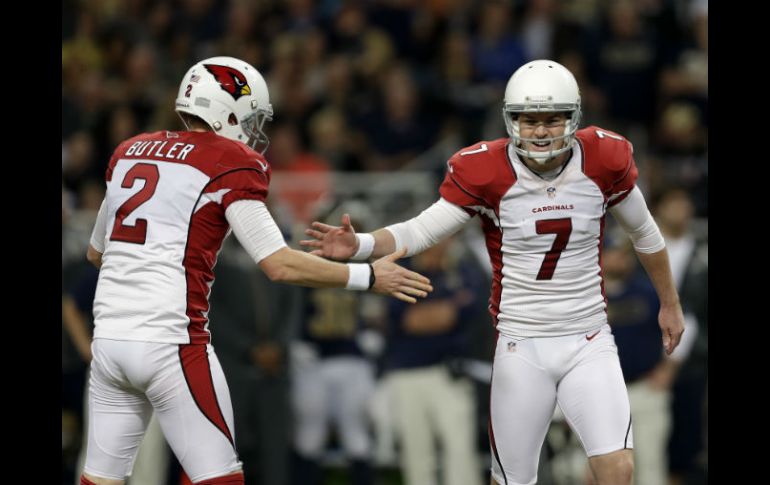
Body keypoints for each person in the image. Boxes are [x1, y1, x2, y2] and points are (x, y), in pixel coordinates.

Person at [301, 59, 685, 485]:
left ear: (573, 119)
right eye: (528, 119)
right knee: (513, 480)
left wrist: (670, 303)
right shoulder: (486, 171)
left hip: (588, 338)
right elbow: (422, 228)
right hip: (522, 346)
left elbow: (646, 235)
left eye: (552, 119)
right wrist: (363, 244)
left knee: (618, 469)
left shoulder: (604, 159)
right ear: (510, 119)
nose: (540, 131)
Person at [80, 56, 433, 485]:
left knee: (101, 478)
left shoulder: (130, 150)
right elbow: (279, 264)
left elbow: (97, 253)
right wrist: (368, 276)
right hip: (169, 341)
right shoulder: (228, 160)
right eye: (249, 119)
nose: (252, 131)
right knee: (220, 478)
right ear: (226, 111)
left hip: (110, 342)